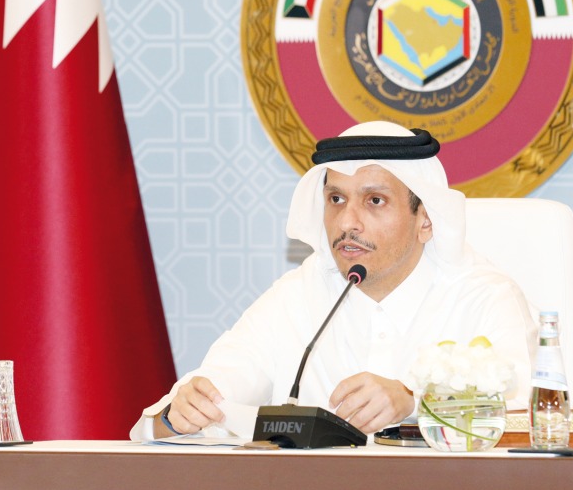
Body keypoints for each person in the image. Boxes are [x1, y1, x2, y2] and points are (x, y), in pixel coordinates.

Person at [132, 121, 536, 440]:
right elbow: (209, 392)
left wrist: (415, 402)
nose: (347, 223)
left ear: (425, 220)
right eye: (336, 200)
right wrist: (179, 414)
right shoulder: (296, 296)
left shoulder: (483, 297)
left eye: (374, 201)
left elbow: (531, 416)